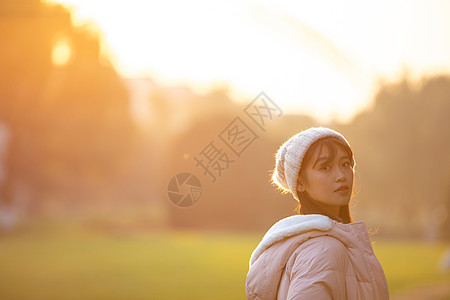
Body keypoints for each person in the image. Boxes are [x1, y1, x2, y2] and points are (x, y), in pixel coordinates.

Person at [245, 127, 389, 300]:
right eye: (325, 167)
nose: (341, 175)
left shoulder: (319, 243)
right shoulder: (323, 249)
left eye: (346, 164)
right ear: (300, 183)